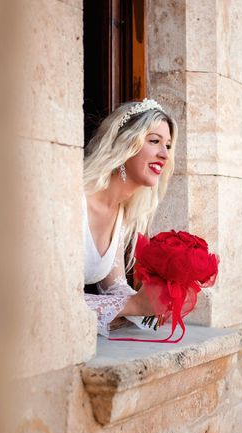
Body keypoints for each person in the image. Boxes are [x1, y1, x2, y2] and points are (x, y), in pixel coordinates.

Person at [82, 98, 177, 336]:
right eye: (154, 141)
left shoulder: (121, 214)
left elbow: (114, 289)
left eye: (168, 145)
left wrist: (160, 297)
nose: (164, 154)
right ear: (124, 144)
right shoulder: (73, 201)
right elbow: (48, 299)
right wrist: (135, 305)